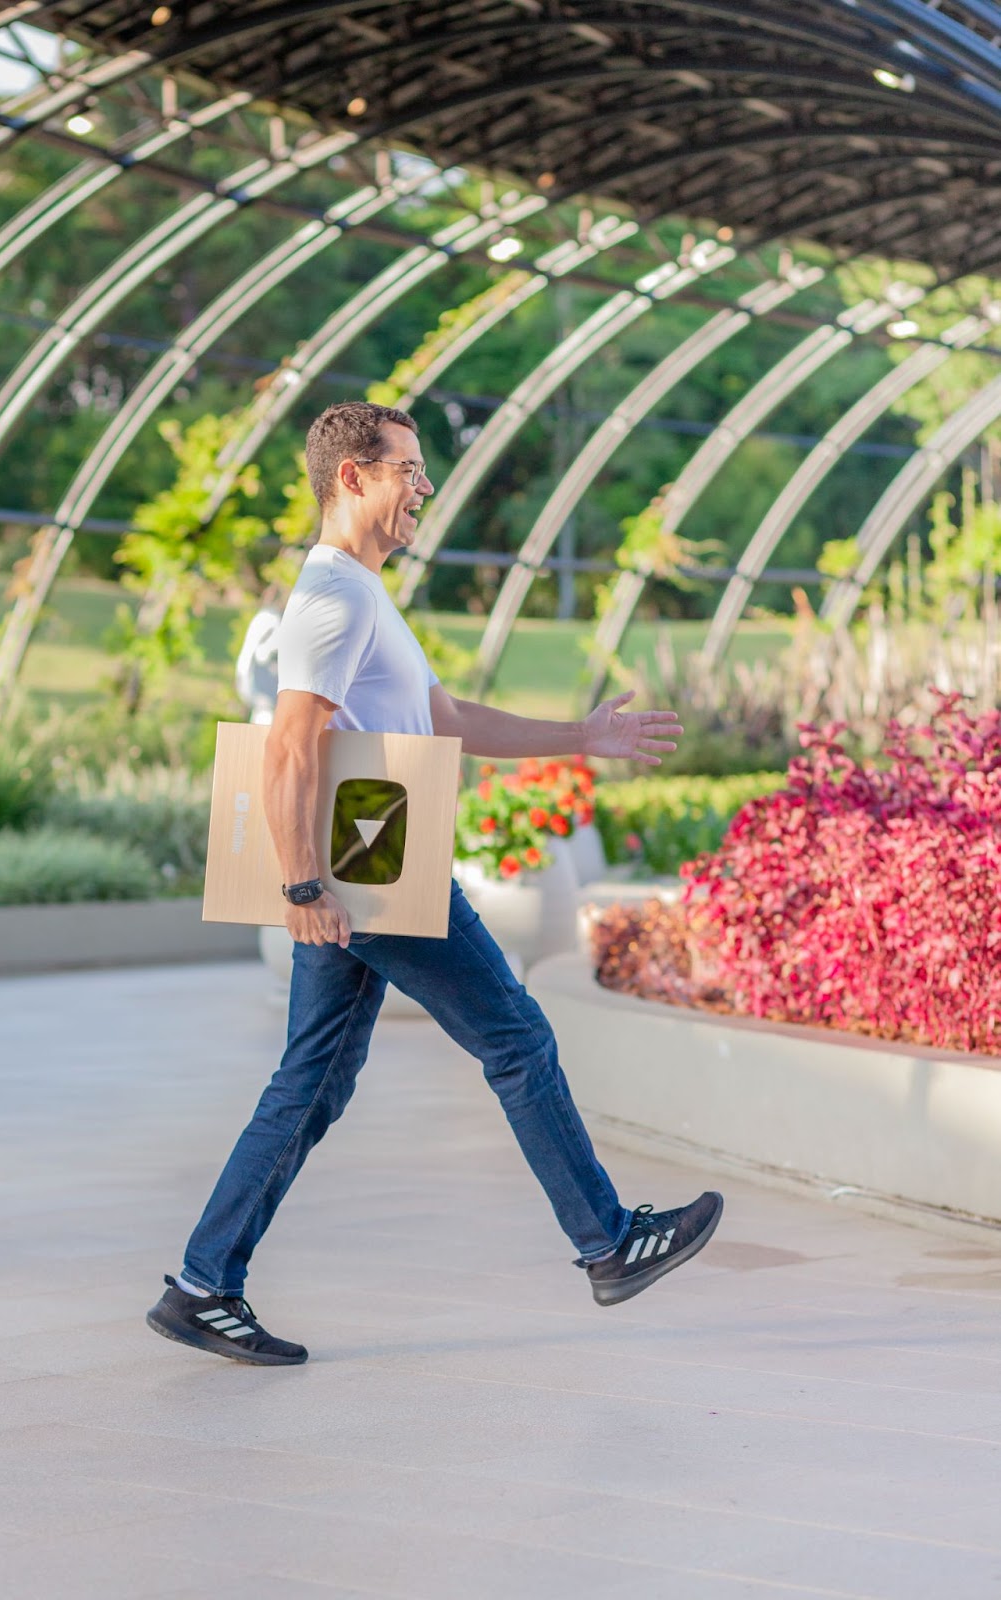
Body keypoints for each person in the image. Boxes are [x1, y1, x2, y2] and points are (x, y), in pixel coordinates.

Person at [146, 401, 722, 1366]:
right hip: (370, 873)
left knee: (313, 1082)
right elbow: (293, 743)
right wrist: (302, 889)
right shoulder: (333, 598)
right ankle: (608, 1242)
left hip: (361, 875)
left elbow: (446, 721)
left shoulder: (365, 596)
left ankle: (204, 1286)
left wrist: (581, 737)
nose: (424, 487)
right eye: (407, 468)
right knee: (516, 1035)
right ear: (352, 478)